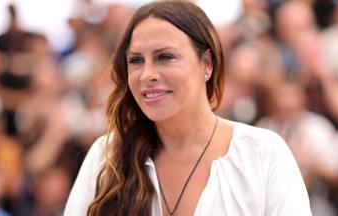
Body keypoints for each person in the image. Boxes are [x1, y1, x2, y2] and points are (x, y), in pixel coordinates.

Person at [64, 1, 311, 215]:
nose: (147, 74)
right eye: (136, 60)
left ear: (206, 64)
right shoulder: (107, 156)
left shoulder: (262, 153)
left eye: (165, 57)